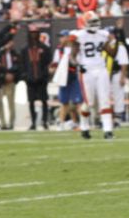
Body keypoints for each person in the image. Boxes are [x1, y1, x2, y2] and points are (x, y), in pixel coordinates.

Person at [68, 11, 117, 139]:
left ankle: (108, 130)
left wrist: (115, 42)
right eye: (92, 22)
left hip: (101, 69)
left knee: (105, 100)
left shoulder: (103, 34)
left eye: (96, 21)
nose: (95, 24)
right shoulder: (78, 36)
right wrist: (78, 65)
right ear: (85, 23)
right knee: (89, 103)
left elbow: (111, 53)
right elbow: (72, 56)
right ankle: (84, 126)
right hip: (87, 71)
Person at [20, 26, 53, 131]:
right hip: (30, 79)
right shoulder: (25, 49)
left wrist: (44, 75)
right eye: (31, 33)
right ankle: (33, 122)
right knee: (31, 101)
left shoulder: (44, 48)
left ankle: (44, 122)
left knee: (44, 100)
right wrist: (25, 76)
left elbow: (48, 63)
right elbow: (23, 64)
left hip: (41, 79)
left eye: (35, 33)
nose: (33, 35)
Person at [50, 30, 82, 131]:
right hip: (64, 77)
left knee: (77, 102)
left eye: (63, 37)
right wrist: (53, 70)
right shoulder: (58, 50)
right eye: (61, 37)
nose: (61, 39)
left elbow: (77, 61)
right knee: (64, 102)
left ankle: (81, 123)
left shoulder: (74, 48)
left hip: (73, 76)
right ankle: (61, 123)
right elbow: (55, 63)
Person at [0, 41, 19, 131]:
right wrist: (4, 75)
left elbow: (18, 66)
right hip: (1, 82)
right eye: (7, 42)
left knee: (11, 103)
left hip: (11, 82)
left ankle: (11, 123)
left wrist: (12, 75)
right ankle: (2, 122)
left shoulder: (15, 54)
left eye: (10, 42)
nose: (9, 44)